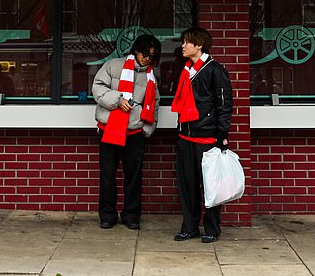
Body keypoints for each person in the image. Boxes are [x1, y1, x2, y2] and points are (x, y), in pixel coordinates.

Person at [91, 34, 161, 230]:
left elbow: (154, 104)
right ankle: (107, 215)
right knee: (107, 176)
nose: (148, 58)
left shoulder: (151, 77)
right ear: (136, 50)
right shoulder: (114, 66)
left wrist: (147, 129)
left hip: (134, 134)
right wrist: (117, 99)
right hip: (109, 130)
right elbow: (97, 87)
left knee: (134, 177)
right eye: (145, 53)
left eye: (152, 56)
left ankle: (131, 215)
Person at [170, 27, 233, 244]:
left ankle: (212, 229)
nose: (183, 45)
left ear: (199, 46)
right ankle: (189, 227)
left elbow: (224, 105)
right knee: (187, 186)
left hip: (207, 139)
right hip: (185, 137)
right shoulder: (186, 69)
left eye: (187, 42)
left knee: (210, 187)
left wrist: (223, 136)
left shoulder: (215, 70)